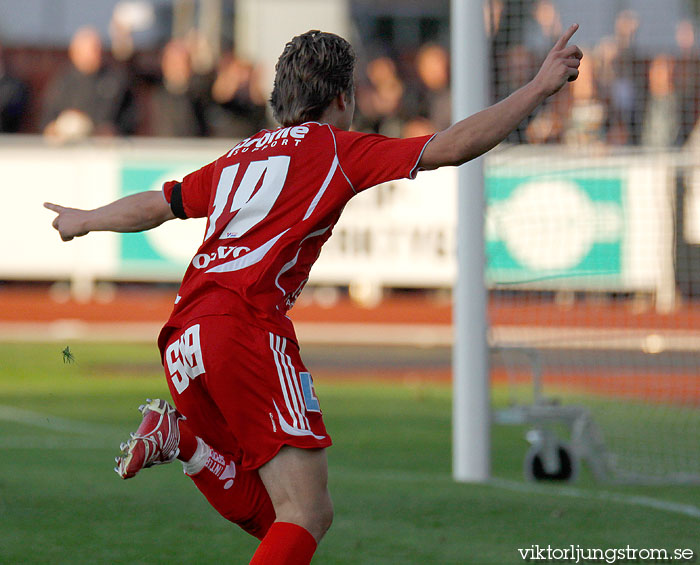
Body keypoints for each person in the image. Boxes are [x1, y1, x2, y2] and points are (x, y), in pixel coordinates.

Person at [44, 26, 582, 564]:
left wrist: (85, 219)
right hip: (244, 325)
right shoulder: (334, 148)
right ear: (344, 97)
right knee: (306, 513)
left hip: (184, 335)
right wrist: (537, 88)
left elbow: (161, 203)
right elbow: (451, 147)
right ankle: (182, 440)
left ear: (281, 99)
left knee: (279, 517)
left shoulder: (242, 154)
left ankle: (181, 439)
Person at [42, 27, 131, 141]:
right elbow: (47, 120)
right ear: (74, 52)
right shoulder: (62, 82)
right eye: (90, 50)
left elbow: (128, 119)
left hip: (104, 151)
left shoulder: (115, 81)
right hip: (67, 151)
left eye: (97, 49)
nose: (94, 54)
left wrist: (112, 131)